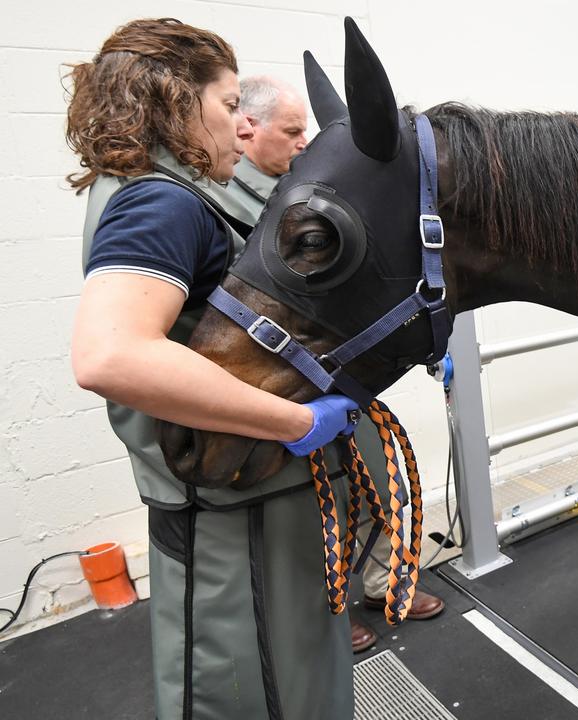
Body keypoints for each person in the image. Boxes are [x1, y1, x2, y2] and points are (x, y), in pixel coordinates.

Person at [66, 18, 373, 719]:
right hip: (234, 510)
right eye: (231, 104)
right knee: (259, 691)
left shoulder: (155, 191)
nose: (241, 126)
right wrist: (296, 419)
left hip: (248, 498)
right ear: (176, 102)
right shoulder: (161, 202)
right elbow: (110, 354)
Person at [226, 73, 446, 653]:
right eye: (292, 131)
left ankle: (380, 581)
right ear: (249, 129)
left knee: (378, 482)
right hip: (285, 381)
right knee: (315, 507)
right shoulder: (239, 197)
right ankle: (331, 609)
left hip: (336, 377)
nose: (304, 143)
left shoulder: (302, 183)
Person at [228, 75, 308, 215]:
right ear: (250, 126)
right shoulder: (225, 192)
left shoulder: (299, 183)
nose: (304, 144)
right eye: (292, 132)